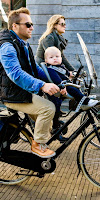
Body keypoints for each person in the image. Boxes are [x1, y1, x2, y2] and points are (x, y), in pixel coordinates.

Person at [0, 8, 65, 158]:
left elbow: (35, 69)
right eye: (28, 24)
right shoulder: (7, 46)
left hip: (20, 90)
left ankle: (36, 139)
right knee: (48, 109)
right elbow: (15, 74)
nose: (32, 28)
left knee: (47, 121)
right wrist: (42, 85)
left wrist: (59, 83)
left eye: (32, 24)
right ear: (15, 26)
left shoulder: (22, 43)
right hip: (11, 93)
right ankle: (37, 146)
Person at [43, 46, 98, 131]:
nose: (55, 59)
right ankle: (85, 101)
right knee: (73, 91)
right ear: (46, 60)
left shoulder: (60, 67)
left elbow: (68, 73)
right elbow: (56, 79)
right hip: (60, 87)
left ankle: (83, 98)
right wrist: (62, 86)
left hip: (66, 85)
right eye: (51, 57)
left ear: (61, 58)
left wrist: (76, 74)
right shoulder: (51, 69)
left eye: (57, 57)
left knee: (76, 88)